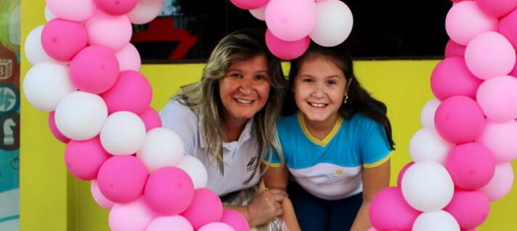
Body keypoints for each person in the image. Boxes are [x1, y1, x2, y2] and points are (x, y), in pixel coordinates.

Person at [160, 29, 291, 228]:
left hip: (237, 201)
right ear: (217, 78)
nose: (247, 88)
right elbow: (166, 198)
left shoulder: (271, 115)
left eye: (259, 78)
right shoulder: (181, 117)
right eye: (236, 75)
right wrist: (249, 213)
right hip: (179, 215)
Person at [264, 43, 395, 231]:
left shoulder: (368, 127)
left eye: (331, 82)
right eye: (308, 80)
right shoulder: (277, 127)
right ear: (293, 84)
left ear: (346, 87)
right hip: (303, 197)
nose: (318, 93)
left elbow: (374, 200)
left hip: (355, 199)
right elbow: (278, 195)